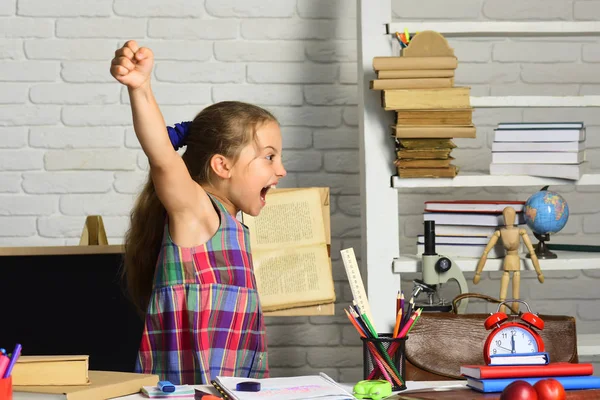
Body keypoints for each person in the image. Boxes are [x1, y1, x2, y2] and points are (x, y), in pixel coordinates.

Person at [109, 40, 287, 385]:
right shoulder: (198, 211)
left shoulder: (232, 225)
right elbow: (162, 155)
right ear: (222, 165)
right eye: (269, 157)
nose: (281, 170)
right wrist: (140, 87)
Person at [473, 206, 544, 314]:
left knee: (511, 290)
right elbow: (486, 252)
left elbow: (532, 252)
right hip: (511, 260)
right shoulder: (509, 232)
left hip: (512, 259)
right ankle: (504, 310)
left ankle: (510, 309)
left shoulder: (514, 232)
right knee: (509, 289)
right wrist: (478, 273)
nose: (507, 218)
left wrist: (539, 273)